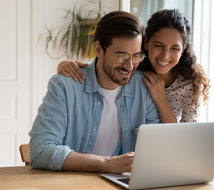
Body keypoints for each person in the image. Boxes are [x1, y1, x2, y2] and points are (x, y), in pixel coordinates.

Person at [29, 11, 161, 173]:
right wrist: (106, 163)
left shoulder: (144, 87)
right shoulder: (65, 86)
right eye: (121, 55)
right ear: (98, 49)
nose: (129, 66)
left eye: (136, 56)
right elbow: (40, 151)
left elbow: (157, 148)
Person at [57, 9, 210, 123]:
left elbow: (182, 141)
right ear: (146, 43)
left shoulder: (192, 84)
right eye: (158, 45)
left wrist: (161, 99)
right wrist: (67, 64)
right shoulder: (134, 67)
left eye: (174, 48)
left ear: (183, 50)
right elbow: (105, 66)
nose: (165, 56)